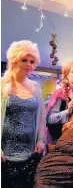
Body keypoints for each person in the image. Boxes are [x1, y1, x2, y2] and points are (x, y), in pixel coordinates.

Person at [1, 40, 46, 188]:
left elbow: (41, 116)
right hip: (5, 155)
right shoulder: (2, 84)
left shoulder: (35, 86)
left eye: (33, 61)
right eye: (24, 60)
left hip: (30, 152)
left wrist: (41, 140)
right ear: (14, 60)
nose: (29, 64)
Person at [46, 61, 73, 146]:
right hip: (61, 140)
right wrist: (67, 111)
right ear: (67, 74)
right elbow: (50, 119)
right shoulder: (58, 94)